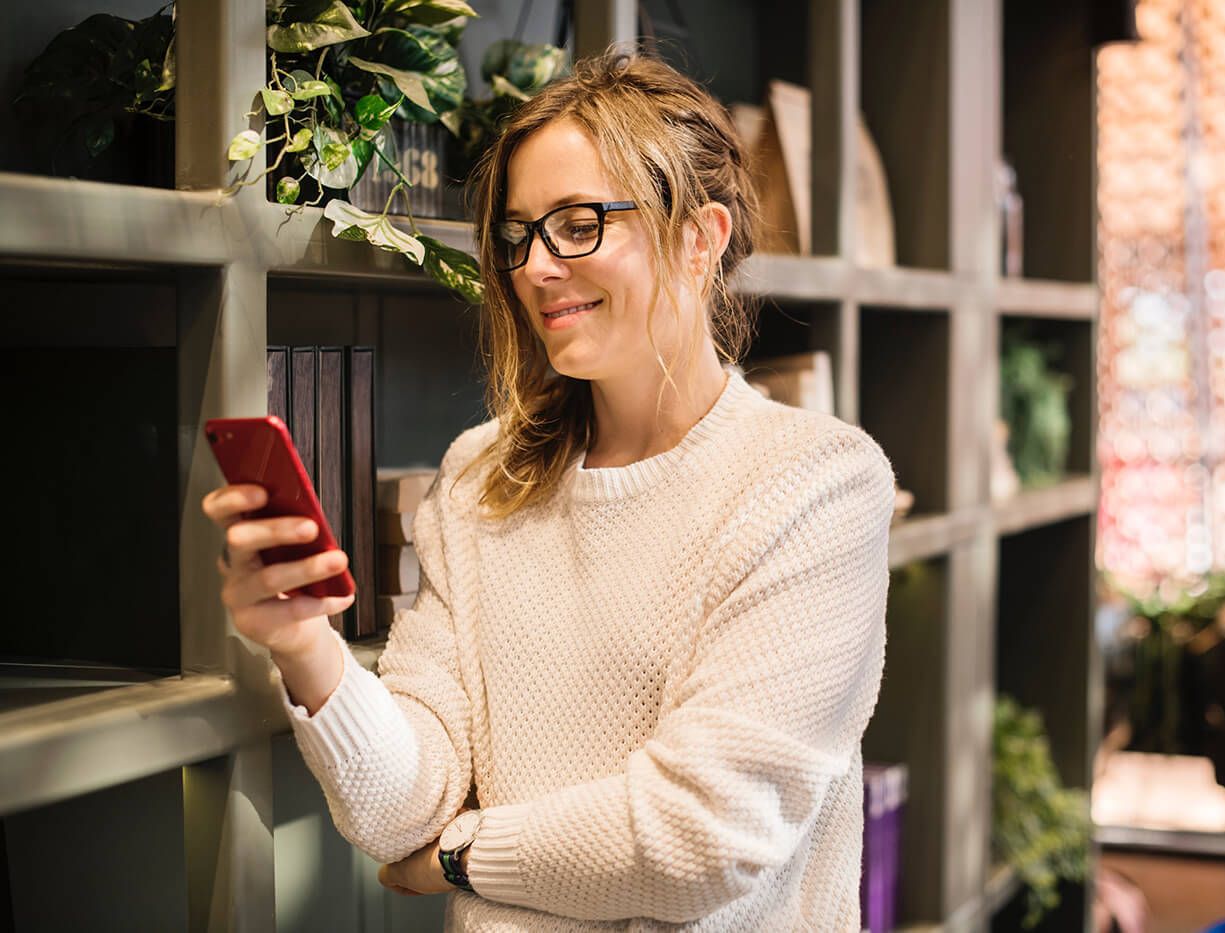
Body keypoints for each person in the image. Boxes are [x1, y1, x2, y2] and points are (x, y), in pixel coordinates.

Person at [202, 50, 896, 930]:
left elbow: (698, 839)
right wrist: (305, 645)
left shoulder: (816, 485)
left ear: (701, 237)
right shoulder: (479, 479)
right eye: (521, 233)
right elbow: (399, 806)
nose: (534, 266)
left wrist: (459, 857)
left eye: (578, 223)